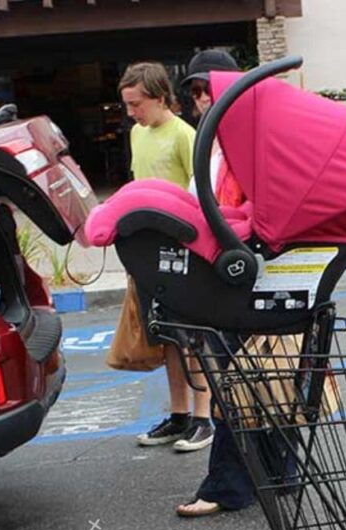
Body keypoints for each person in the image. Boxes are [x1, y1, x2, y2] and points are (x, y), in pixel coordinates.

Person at [171, 50, 261, 518]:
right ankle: (278, 474)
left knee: (236, 383)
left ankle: (227, 486)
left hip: (240, 278)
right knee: (262, 382)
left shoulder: (241, 144)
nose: (202, 100)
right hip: (226, 274)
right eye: (196, 92)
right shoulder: (218, 144)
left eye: (207, 90)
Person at [117, 61, 214, 451]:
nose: (131, 113)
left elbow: (202, 191)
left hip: (183, 247)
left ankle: (204, 417)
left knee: (194, 336)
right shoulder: (138, 134)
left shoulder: (183, 135)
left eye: (136, 104)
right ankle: (179, 414)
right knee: (167, 335)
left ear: (160, 97)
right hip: (149, 248)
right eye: (126, 104)